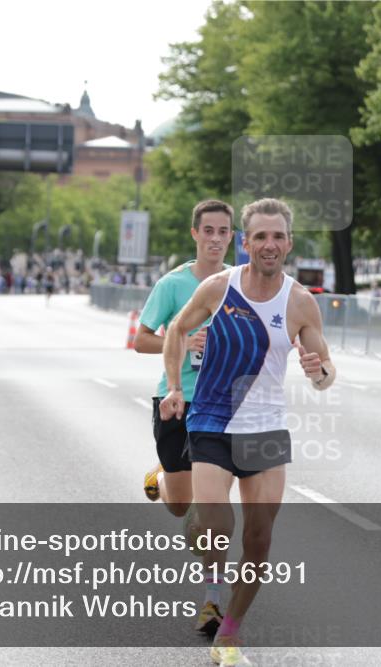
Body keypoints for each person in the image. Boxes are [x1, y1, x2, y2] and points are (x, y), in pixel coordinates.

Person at [159, 198, 336, 666]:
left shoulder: (300, 302)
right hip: (213, 420)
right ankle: (207, 551)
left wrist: (318, 371)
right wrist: (175, 388)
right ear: (245, 242)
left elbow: (326, 373)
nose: (269, 245)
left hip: (266, 428)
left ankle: (228, 637)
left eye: (278, 236)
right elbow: (177, 330)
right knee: (217, 527)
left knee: (258, 539)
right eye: (260, 236)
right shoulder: (220, 287)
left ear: (289, 243)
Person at [135, 199, 234, 636]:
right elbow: (140, 340)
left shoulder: (240, 285)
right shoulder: (173, 285)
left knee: (212, 512)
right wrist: (184, 341)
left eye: (223, 231)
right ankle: (163, 475)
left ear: (232, 237)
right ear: (195, 234)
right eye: (208, 230)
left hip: (223, 408)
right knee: (180, 508)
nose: (215, 238)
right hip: (176, 405)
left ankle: (212, 602)